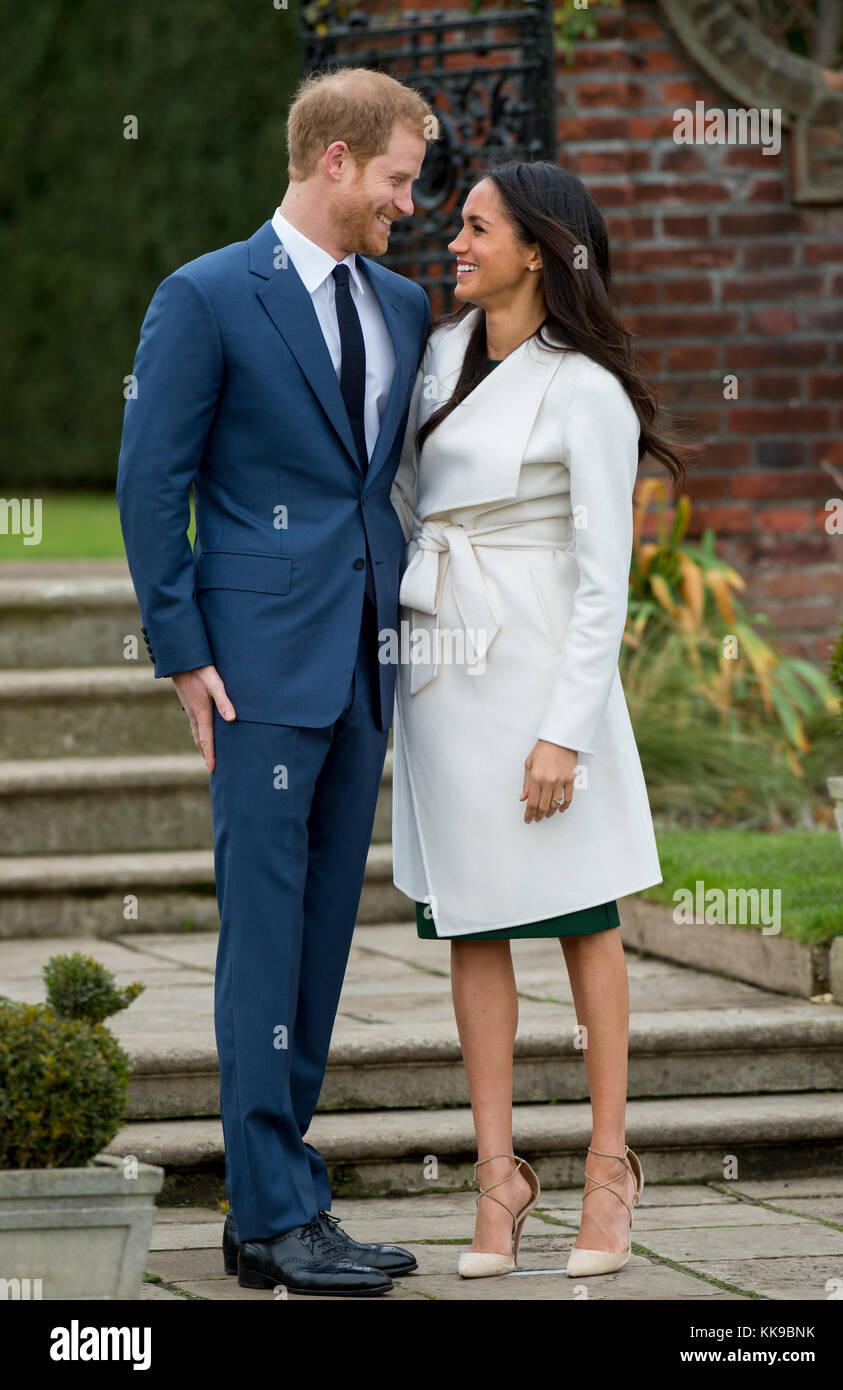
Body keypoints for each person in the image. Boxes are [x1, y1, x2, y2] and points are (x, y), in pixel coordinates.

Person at [117, 67, 436, 1298]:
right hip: (252, 670)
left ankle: (282, 1205)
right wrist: (183, 650)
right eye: (400, 179)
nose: (408, 205)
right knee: (263, 934)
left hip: (364, 655)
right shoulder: (204, 295)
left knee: (317, 940)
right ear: (338, 160)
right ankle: (269, 1206)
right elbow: (152, 483)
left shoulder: (404, 305)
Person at [390, 161, 693, 1280]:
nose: (453, 242)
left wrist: (564, 728)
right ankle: (497, 1176)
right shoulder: (431, 360)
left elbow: (606, 581)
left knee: (580, 916)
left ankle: (608, 1167)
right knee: (470, 921)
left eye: (475, 227)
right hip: (440, 666)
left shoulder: (587, 390)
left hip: (539, 666)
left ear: (537, 250)